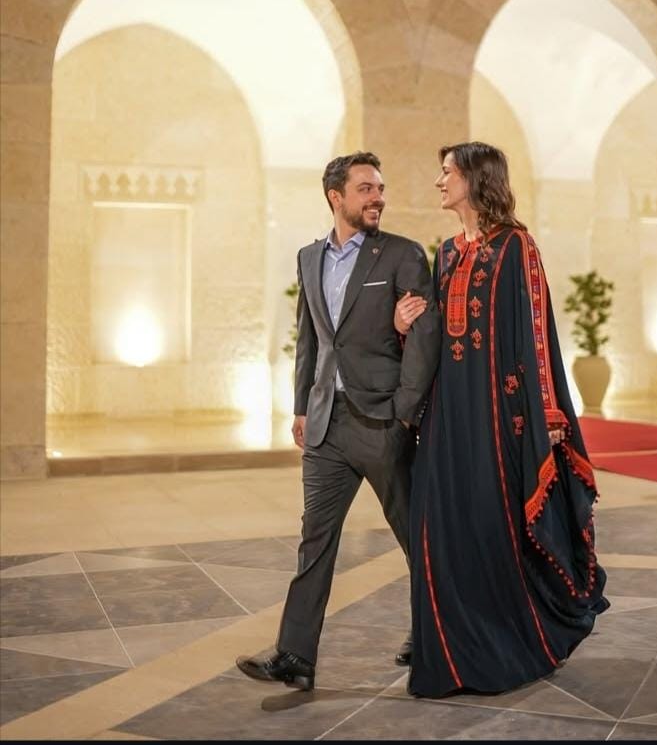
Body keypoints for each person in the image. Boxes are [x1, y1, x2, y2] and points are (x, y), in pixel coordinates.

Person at [394, 141, 609, 699]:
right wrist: (406, 324)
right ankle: (449, 654)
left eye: (447, 172)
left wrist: (548, 412)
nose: (439, 182)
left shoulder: (517, 246)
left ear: (474, 178)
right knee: (440, 528)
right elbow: (439, 337)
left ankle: (507, 646)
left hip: (497, 416)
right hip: (447, 414)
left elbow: (536, 332)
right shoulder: (445, 253)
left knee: (493, 527)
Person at [237, 152, 441, 691]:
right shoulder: (309, 258)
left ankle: (434, 635)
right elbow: (310, 338)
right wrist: (302, 406)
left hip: (383, 423)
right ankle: (295, 655)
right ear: (336, 197)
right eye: (366, 189)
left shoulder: (401, 254)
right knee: (315, 541)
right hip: (327, 424)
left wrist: (405, 412)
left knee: (416, 537)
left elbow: (424, 337)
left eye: (380, 188)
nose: (378, 198)